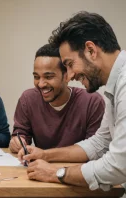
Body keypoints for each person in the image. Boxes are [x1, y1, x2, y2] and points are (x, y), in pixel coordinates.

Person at [17, 11, 126, 192]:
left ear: (91, 50)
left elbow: (118, 165)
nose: (71, 75)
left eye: (69, 64)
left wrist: (57, 173)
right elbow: (100, 143)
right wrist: (45, 154)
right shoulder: (114, 86)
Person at [9, 44, 105, 153]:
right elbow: (21, 133)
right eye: (36, 77)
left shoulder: (92, 102)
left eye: (48, 77)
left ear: (67, 76)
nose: (40, 84)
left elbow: (95, 150)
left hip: (77, 169)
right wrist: (18, 141)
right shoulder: (28, 99)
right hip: (41, 167)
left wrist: (46, 156)